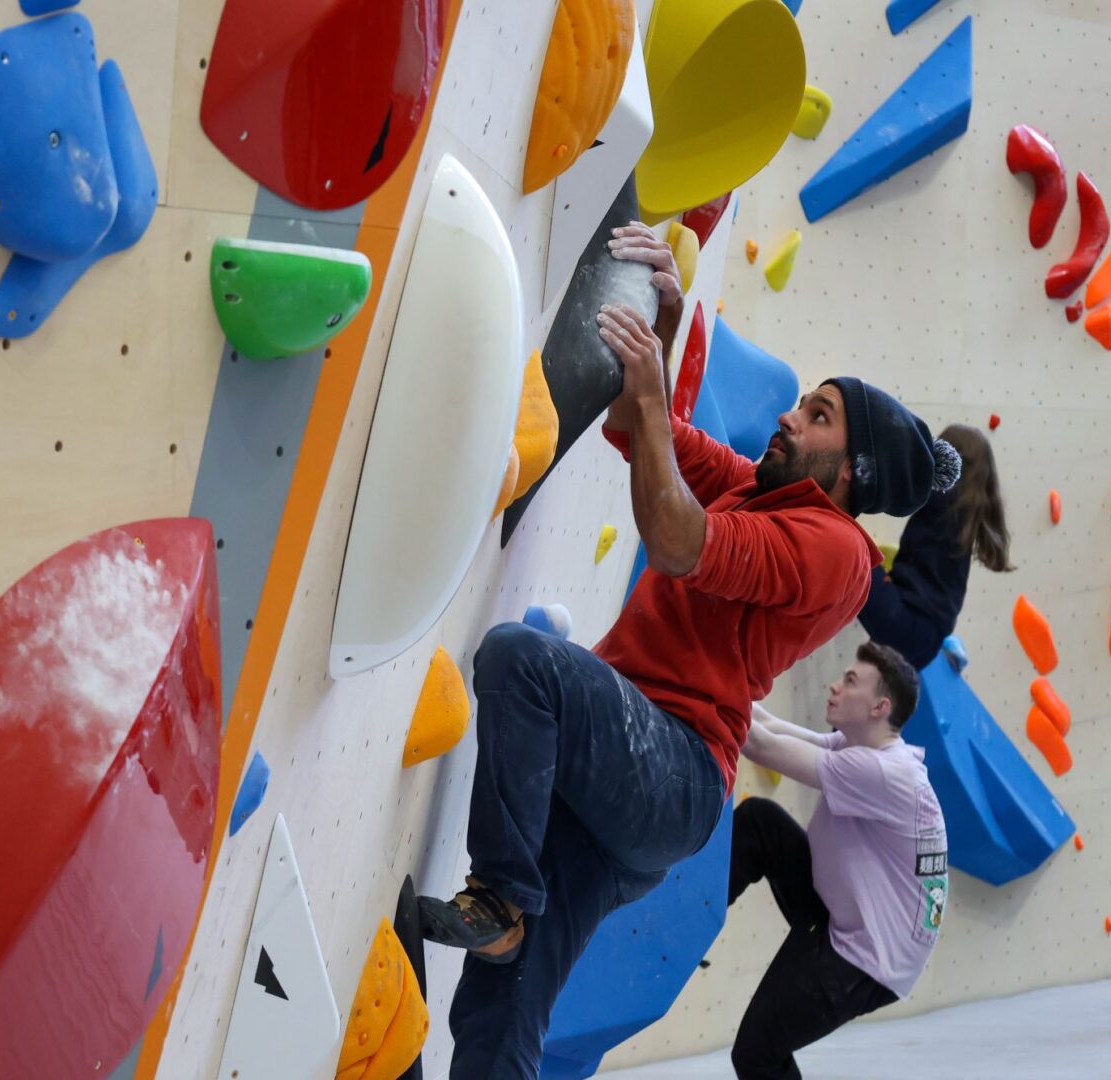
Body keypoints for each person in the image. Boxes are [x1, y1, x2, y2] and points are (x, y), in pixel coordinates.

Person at [417, 222, 962, 1078]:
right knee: (498, 1013)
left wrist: (655, 377)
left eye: (816, 416)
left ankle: (505, 899)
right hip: (622, 779)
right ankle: (509, 921)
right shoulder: (758, 485)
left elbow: (674, 539)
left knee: (520, 662)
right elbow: (645, 433)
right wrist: (665, 321)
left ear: (851, 471)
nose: (789, 415)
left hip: (670, 772)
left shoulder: (837, 552)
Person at [730, 643, 949, 1079]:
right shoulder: (861, 747)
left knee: (757, 1052)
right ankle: (683, 909)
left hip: (868, 958)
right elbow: (771, 727)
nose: (834, 685)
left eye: (850, 682)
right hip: (844, 915)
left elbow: (761, 747)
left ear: (878, 707)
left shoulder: (882, 772)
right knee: (762, 822)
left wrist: (706, 675)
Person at [856, 423, 1013, 669]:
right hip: (928, 643)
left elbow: (896, 480)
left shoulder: (942, 496)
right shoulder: (966, 514)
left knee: (853, 549)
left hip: (904, 621)